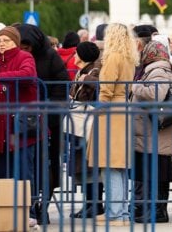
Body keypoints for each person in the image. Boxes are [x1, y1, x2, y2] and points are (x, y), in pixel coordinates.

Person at [17, 23, 70, 225]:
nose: (24, 50)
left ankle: (43, 206)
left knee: (48, 168)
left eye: (27, 46)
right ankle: (28, 208)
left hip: (49, 123)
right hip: (23, 124)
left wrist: (47, 112)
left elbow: (61, 89)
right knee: (27, 167)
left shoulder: (50, 57)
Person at [0, 26, 39, 228]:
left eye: (6, 40)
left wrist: (1, 78)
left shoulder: (25, 57)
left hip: (21, 128)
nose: (1, 44)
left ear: (15, 42)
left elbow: (28, 75)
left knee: (24, 173)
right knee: (2, 174)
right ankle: (5, 214)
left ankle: (29, 213)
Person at [88, 23, 137, 226]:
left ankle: (114, 213)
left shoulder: (113, 57)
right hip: (124, 108)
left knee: (110, 164)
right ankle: (121, 212)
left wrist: (100, 106)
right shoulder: (129, 58)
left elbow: (106, 86)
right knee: (120, 164)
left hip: (111, 111)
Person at [130, 41, 172, 223]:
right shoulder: (155, 69)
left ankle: (158, 211)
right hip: (151, 130)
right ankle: (153, 210)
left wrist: (133, 87)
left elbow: (156, 93)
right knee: (154, 170)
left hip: (155, 130)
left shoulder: (158, 70)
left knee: (157, 171)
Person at [67, 41, 104, 219]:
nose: (74, 56)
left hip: (87, 125)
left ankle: (95, 204)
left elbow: (101, 84)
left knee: (91, 166)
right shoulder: (83, 71)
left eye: (76, 53)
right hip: (82, 124)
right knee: (84, 167)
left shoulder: (93, 71)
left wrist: (86, 80)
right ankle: (90, 203)